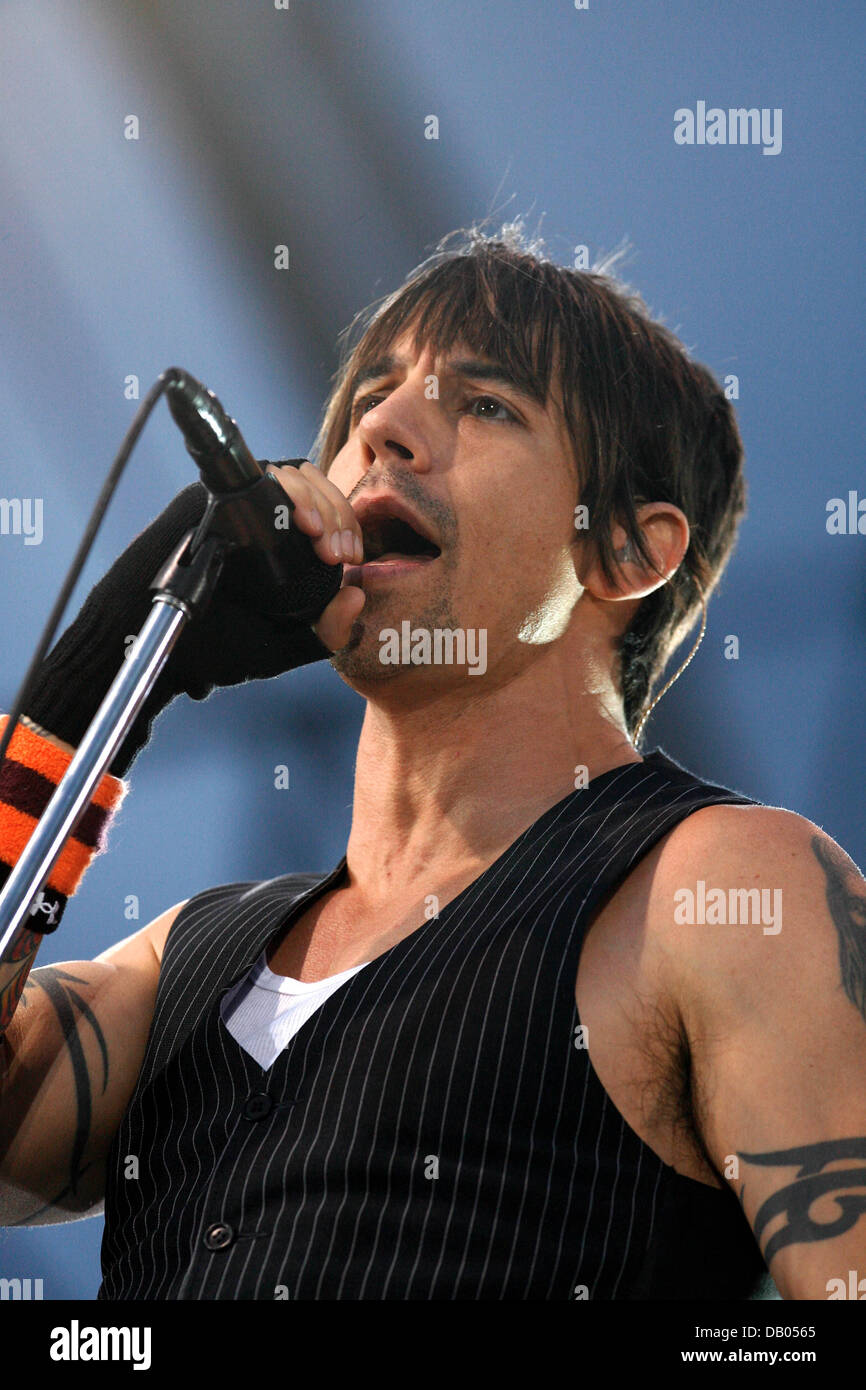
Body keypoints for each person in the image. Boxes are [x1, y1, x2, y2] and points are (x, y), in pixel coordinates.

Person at [0, 224, 864, 1301]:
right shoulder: (186, 958)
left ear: (627, 550)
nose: (383, 426)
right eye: (370, 392)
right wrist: (98, 678)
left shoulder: (721, 888)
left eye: (485, 403)